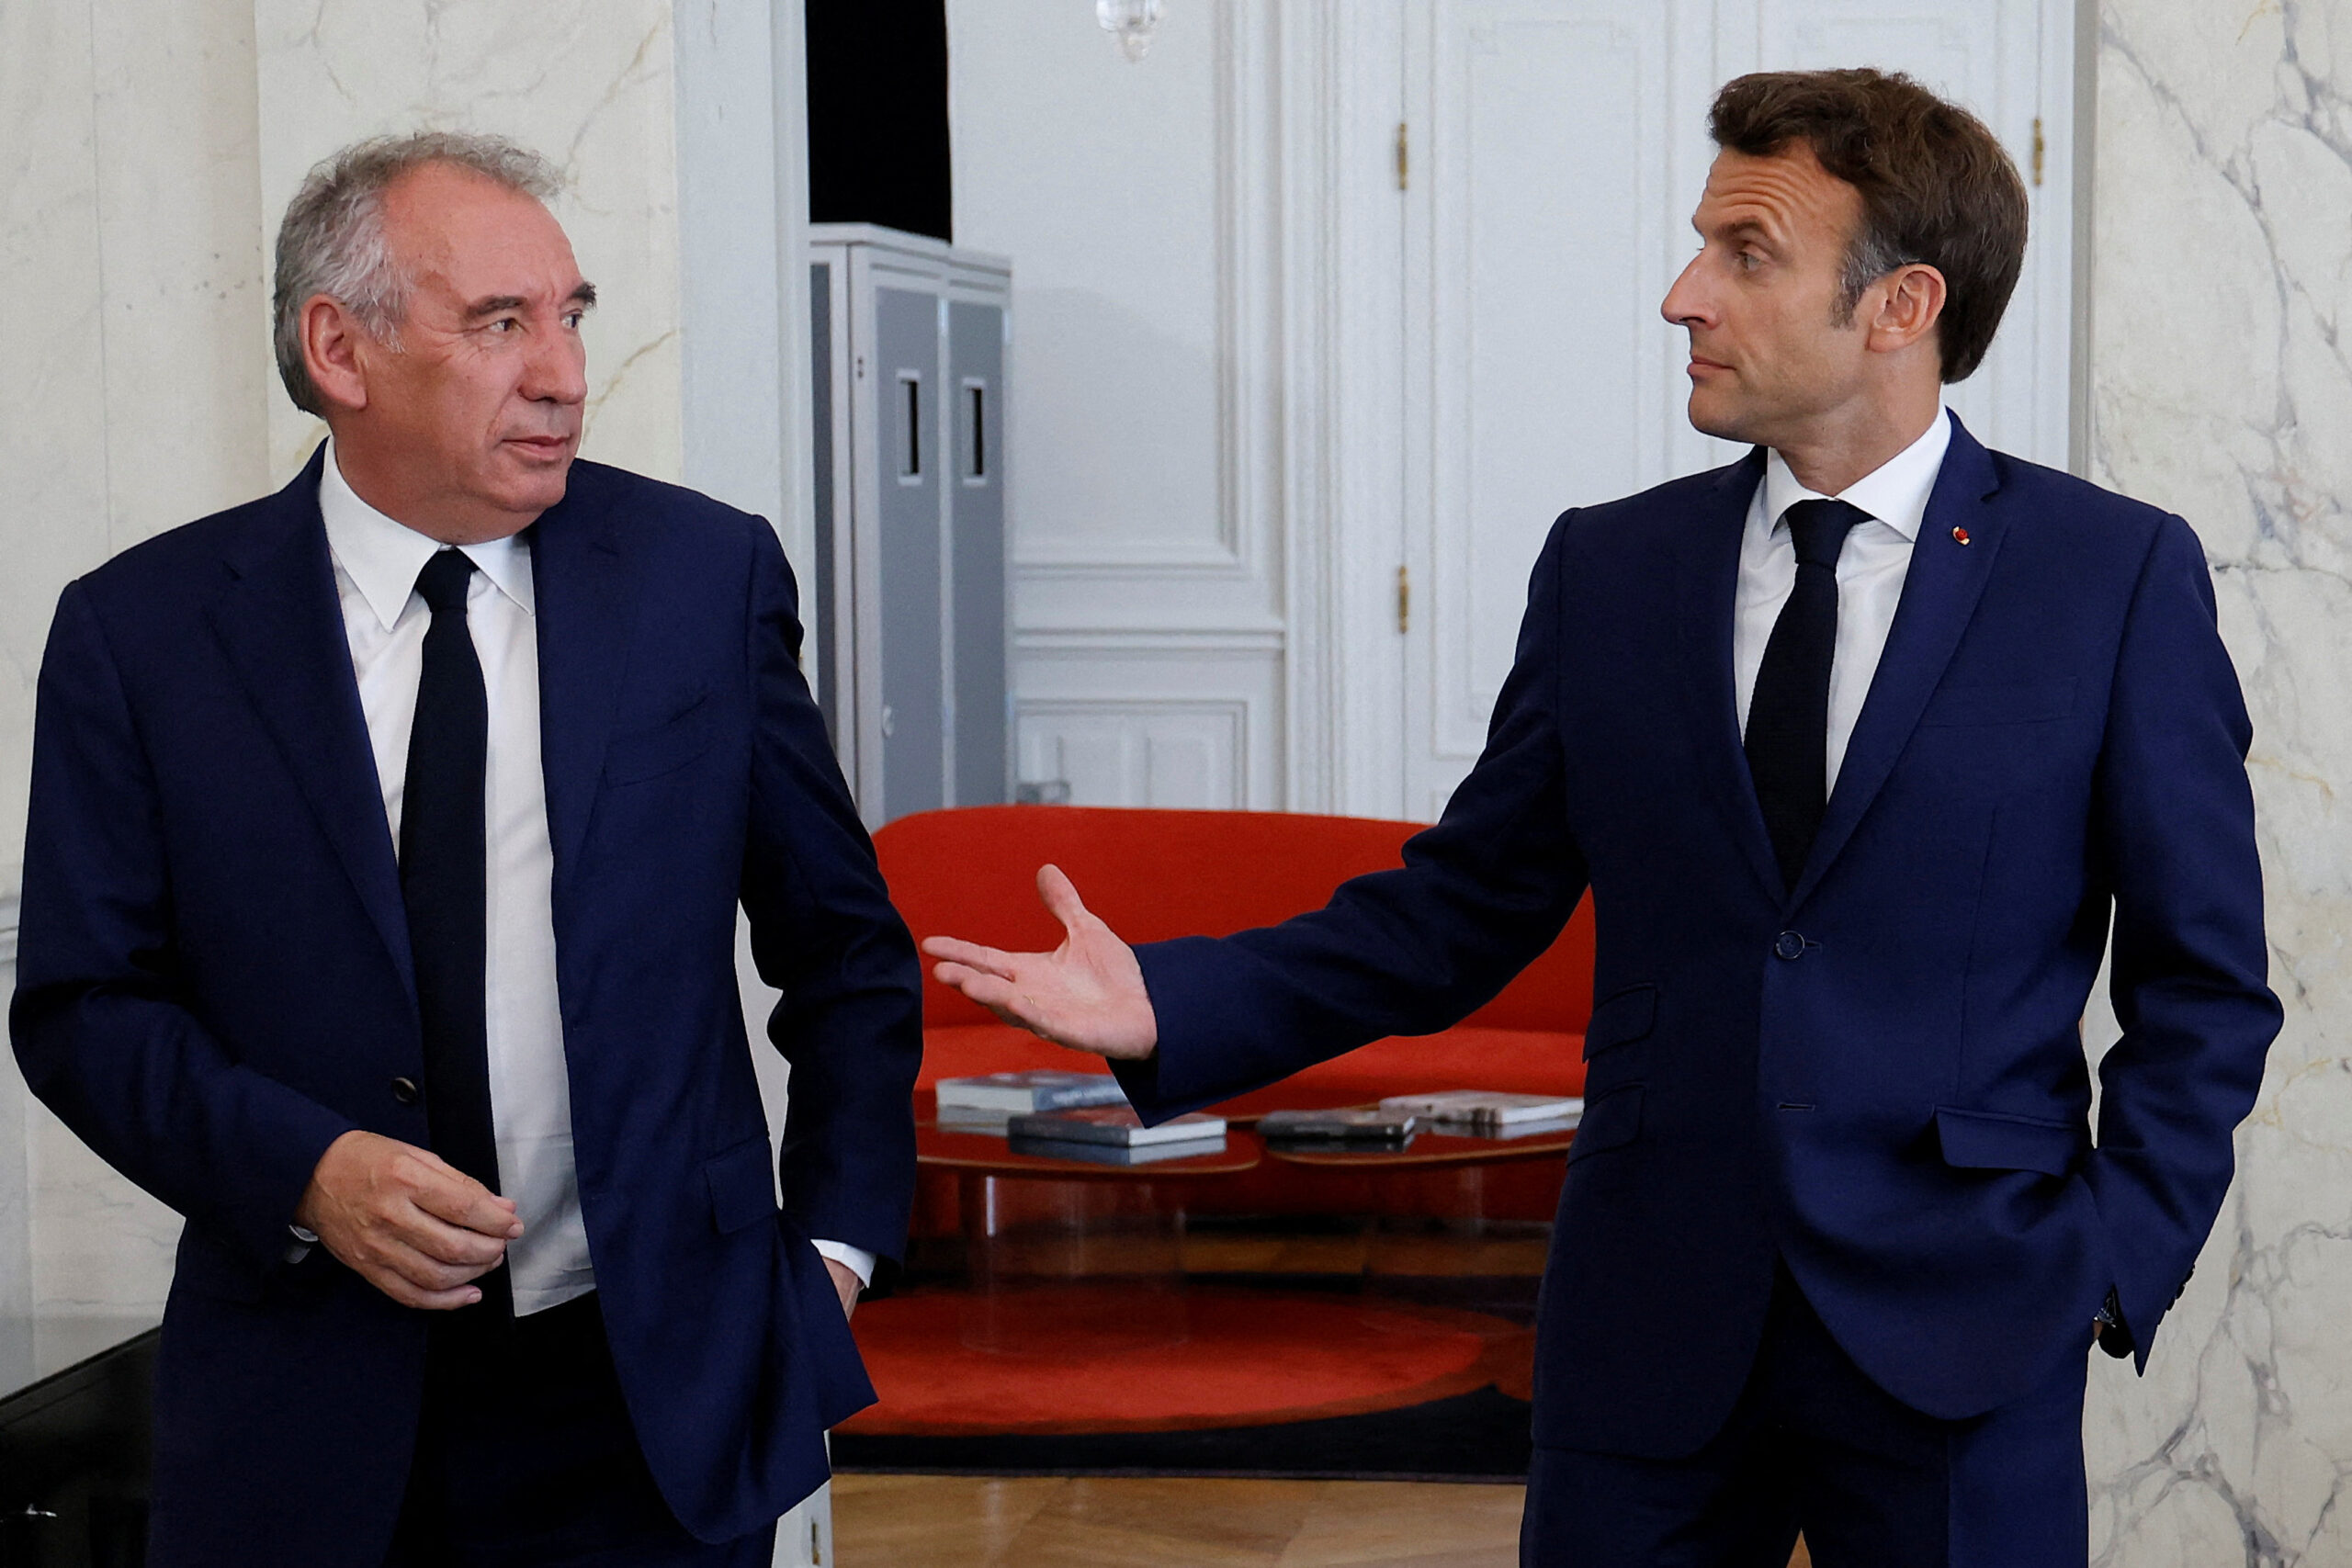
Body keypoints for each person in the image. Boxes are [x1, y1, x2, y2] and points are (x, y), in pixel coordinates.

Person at [922, 70, 2282, 1567]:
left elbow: (2202, 986)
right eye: (1699, 241)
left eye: (1746, 255)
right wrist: (1166, 1001)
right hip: (1647, 1323)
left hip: (1968, 1321)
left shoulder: (2113, 581)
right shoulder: (1611, 572)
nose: (1682, 294)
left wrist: (2106, 1264)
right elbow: (1458, 909)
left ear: (1901, 307)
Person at [10, 131, 921, 1567]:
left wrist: (833, 1259)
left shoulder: (703, 578)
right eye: (500, 324)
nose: (561, 373)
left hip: (650, 1408)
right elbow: (83, 1007)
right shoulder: (145, 635)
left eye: (570, 317)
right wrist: (304, 1169)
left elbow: (849, 957)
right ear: (340, 349)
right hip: (299, 1414)